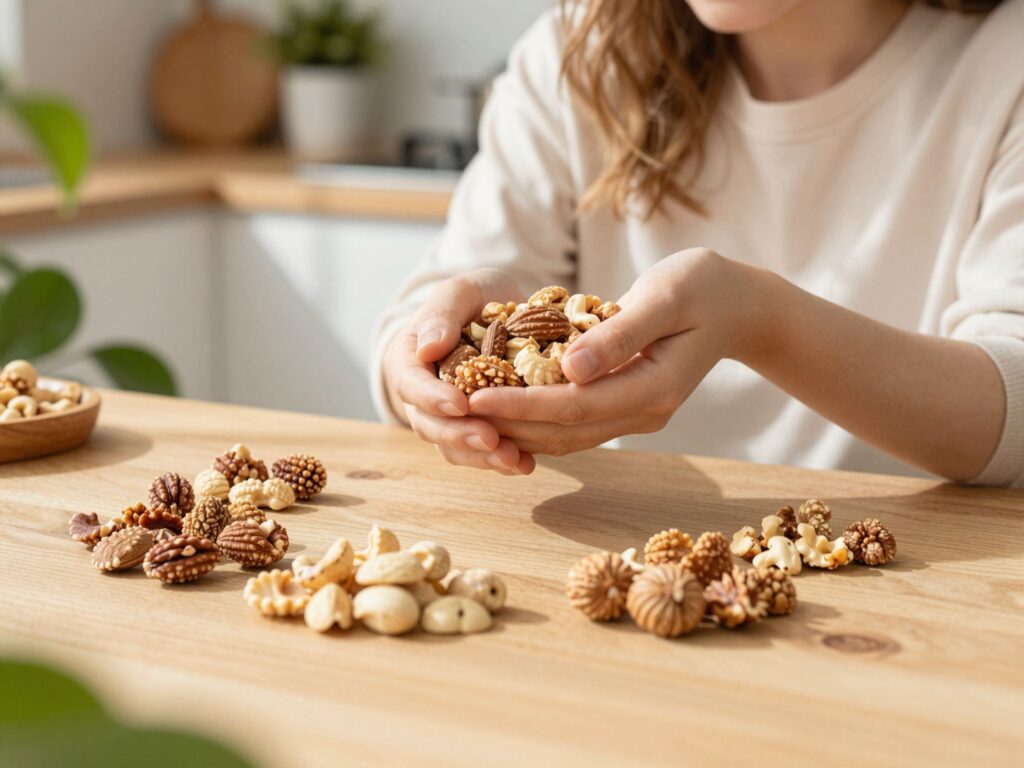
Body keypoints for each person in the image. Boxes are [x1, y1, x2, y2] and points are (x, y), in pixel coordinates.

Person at [373, 0, 1024, 487]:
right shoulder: (580, 53)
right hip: (627, 564)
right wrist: (421, 364)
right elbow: (418, 322)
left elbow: (1014, 410)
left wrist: (760, 320)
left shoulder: (1003, 64)